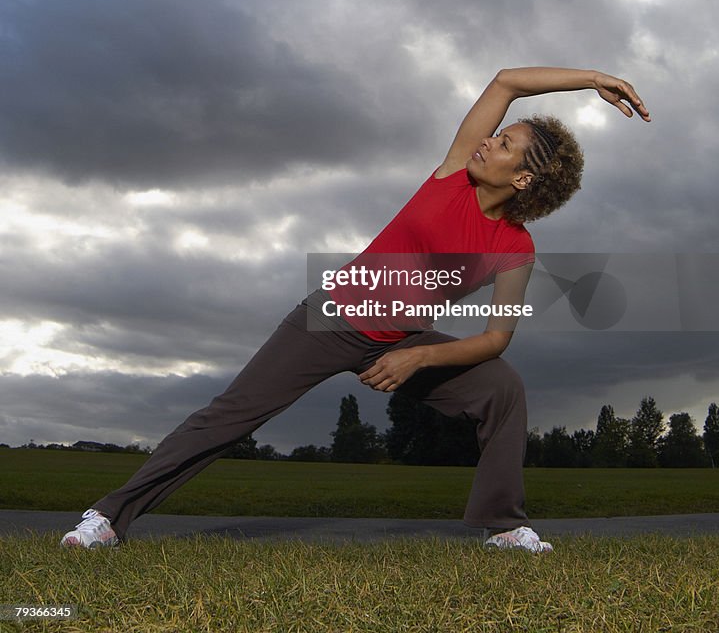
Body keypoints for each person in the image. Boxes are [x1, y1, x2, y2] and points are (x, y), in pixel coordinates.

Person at [60, 66, 650, 553]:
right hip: (333, 317)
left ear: (523, 179)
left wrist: (418, 356)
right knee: (230, 415)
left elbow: (497, 339)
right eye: (498, 133)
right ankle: (108, 518)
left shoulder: (514, 247)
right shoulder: (450, 176)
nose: (488, 139)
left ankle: (504, 526)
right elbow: (505, 83)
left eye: (505, 143)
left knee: (503, 388)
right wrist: (592, 78)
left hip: (401, 339)